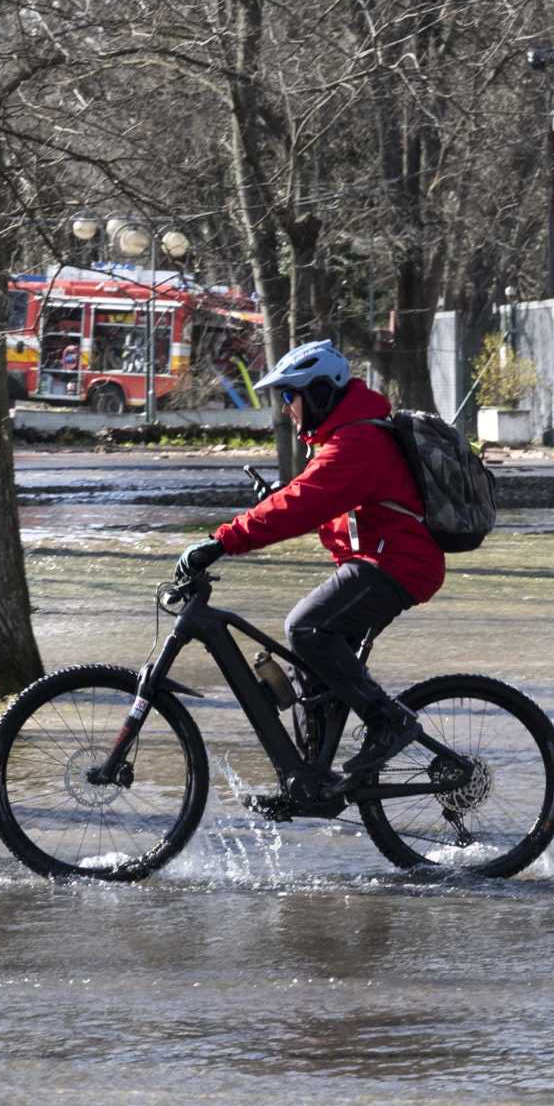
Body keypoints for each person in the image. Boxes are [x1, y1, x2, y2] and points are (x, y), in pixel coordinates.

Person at [172, 339, 438, 800]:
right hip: (377, 560)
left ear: (318, 393)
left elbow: (302, 505)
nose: (286, 407)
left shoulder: (357, 441)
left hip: (395, 564)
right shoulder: (348, 437)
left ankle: (389, 722)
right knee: (308, 673)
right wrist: (278, 499)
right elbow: (318, 501)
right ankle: (308, 781)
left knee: (305, 628)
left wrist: (221, 542)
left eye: (290, 396)